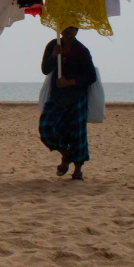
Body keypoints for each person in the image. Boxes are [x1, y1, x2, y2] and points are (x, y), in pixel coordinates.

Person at [39, 26, 96, 180]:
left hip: (77, 97)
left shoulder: (82, 51)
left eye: (72, 29)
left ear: (77, 31)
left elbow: (91, 76)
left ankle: (77, 170)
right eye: (65, 29)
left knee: (77, 133)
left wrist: (69, 82)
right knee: (46, 128)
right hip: (57, 96)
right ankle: (66, 154)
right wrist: (53, 56)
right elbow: (45, 69)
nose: (68, 32)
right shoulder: (53, 45)